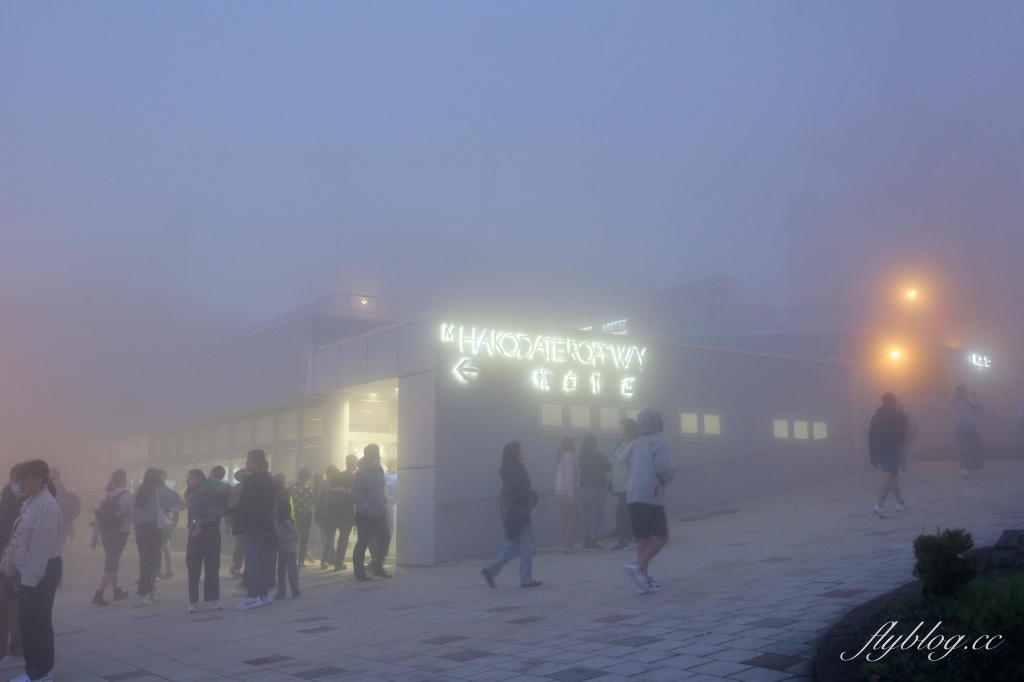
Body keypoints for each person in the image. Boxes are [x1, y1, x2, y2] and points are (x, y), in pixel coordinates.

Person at [0, 460, 63, 682]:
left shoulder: (47, 505)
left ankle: (41, 672)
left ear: (38, 479)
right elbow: (19, 540)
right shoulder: (32, 502)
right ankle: (33, 669)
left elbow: (41, 548)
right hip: (26, 571)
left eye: (23, 478)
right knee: (27, 621)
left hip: (40, 571)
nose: (18, 483)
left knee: (38, 622)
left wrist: (29, 579)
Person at [624, 408, 673, 595]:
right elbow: (662, 469)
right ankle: (638, 565)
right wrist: (669, 476)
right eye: (661, 419)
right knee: (661, 536)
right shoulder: (658, 442)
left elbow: (628, 464)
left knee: (644, 539)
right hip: (650, 496)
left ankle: (643, 582)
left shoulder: (634, 445)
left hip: (632, 496)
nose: (663, 422)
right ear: (654, 422)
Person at [481, 441, 541, 589]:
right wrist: (532, 498)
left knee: (514, 544)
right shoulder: (519, 468)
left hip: (509, 511)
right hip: (520, 510)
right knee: (527, 545)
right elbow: (522, 490)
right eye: (521, 450)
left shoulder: (507, 470)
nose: (523, 452)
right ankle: (526, 580)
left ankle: (491, 569)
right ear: (516, 454)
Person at [225, 450, 276, 610]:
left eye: (249, 460)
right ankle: (263, 595)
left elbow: (245, 506)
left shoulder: (253, 481)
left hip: (253, 526)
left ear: (258, 463)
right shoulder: (269, 479)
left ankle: (253, 596)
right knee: (259, 561)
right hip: (264, 525)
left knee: (253, 561)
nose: (247, 463)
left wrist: (225, 512)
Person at [131, 468, 184, 606]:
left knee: (146, 561)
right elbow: (176, 497)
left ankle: (151, 589)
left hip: (141, 530)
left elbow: (134, 514)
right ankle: (140, 595)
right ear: (158, 479)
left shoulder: (140, 492)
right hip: (153, 529)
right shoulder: (159, 491)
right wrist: (164, 485)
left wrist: (137, 527)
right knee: (152, 562)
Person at [184, 469, 229, 613]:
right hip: (195, 533)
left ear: (201, 478)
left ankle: (215, 599)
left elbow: (224, 507)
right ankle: (193, 601)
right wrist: (197, 522)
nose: (189, 482)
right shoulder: (190, 494)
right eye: (188, 479)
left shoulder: (214, 490)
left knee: (212, 567)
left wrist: (218, 511)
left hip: (212, 531)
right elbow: (194, 511)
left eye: (192, 478)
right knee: (193, 567)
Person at [89, 469, 133, 606]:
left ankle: (116, 591)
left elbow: (98, 517)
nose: (126, 480)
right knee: (111, 562)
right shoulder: (127, 496)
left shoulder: (103, 496)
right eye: (125, 478)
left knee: (113, 560)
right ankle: (99, 594)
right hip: (120, 532)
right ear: (122, 480)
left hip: (105, 533)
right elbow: (133, 515)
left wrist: (94, 536)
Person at [351, 445, 391, 581]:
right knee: (362, 542)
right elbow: (356, 493)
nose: (378, 457)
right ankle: (359, 572)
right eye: (376, 455)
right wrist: (366, 508)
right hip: (365, 513)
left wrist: (384, 503)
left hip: (380, 511)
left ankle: (378, 566)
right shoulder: (360, 473)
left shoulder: (379, 470)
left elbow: (381, 488)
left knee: (385, 537)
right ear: (369, 456)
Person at [868, 393, 909, 518]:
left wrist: (872, 456)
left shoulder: (875, 418)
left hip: (879, 451)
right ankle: (879, 506)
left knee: (891, 477)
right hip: (892, 449)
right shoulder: (896, 415)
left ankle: (900, 503)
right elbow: (904, 422)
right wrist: (901, 408)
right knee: (890, 475)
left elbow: (870, 437)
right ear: (894, 402)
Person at [0, 466, 25, 666]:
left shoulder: (29, 505)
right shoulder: (5, 504)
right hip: (5, 570)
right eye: (15, 479)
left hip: (16, 570)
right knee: (7, 606)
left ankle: (15, 646)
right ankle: (10, 647)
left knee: (13, 606)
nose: (18, 483)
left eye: (21, 479)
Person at [609, 418, 640, 552]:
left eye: (623, 428)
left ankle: (623, 541)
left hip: (629, 486)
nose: (621, 430)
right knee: (625, 514)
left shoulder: (634, 446)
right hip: (620, 487)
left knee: (622, 514)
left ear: (629, 430)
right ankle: (628, 537)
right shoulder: (622, 446)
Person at [577, 434, 610, 551]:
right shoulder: (598, 455)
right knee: (597, 514)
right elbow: (608, 468)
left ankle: (586, 541)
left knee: (586, 515)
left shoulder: (581, 456)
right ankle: (594, 541)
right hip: (597, 488)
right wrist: (606, 459)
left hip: (583, 488)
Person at [554, 436, 580, 553]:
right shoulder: (569, 457)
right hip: (566, 492)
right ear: (571, 445)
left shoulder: (561, 457)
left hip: (558, 492)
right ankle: (567, 543)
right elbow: (569, 478)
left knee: (565, 519)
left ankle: (564, 544)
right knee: (574, 518)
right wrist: (572, 495)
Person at [953, 384, 984, 478]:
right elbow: (953, 394)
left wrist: (975, 398)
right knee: (964, 448)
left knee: (973, 447)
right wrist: (958, 389)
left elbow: (981, 408)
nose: (966, 392)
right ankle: (963, 469)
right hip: (962, 427)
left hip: (972, 427)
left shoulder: (968, 402)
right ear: (960, 392)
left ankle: (970, 467)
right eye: (964, 391)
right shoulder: (957, 401)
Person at [273, 497, 301, 600]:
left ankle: (295, 591)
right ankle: (281, 591)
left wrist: (284, 539)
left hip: (290, 551)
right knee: (280, 571)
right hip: (281, 550)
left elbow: (295, 534)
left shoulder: (288, 523)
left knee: (292, 571)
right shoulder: (276, 523)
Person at [288, 468, 315, 568]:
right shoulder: (310, 489)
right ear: (307, 477)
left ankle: (291, 560)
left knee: (294, 538)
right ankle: (301, 562)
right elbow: (313, 502)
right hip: (306, 515)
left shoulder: (291, 488)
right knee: (304, 538)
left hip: (294, 515)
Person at [314, 465, 339, 569]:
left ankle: (331, 558)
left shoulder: (322, 485)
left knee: (328, 536)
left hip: (321, 514)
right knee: (329, 537)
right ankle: (325, 560)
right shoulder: (332, 485)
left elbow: (318, 500)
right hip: (330, 513)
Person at [49, 467, 79, 545]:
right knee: (57, 551)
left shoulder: (55, 490)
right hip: (60, 526)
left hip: (53, 527)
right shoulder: (62, 489)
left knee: (54, 552)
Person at [157, 470, 178, 579]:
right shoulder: (161, 490)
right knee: (162, 546)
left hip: (163, 522)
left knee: (164, 546)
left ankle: (166, 570)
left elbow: (176, 498)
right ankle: (161, 570)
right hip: (163, 522)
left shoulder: (162, 490)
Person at [225, 469, 246, 578]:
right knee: (243, 544)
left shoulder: (235, 489)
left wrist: (227, 522)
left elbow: (228, 506)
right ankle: (236, 566)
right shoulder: (245, 488)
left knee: (240, 543)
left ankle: (235, 565)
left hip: (234, 520)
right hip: (244, 520)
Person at [896, 399, 918, 477]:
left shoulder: (898, 415)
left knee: (900, 453)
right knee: (903, 453)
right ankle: (902, 470)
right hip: (905, 437)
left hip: (902, 437)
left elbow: (913, 426)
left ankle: (901, 470)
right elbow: (914, 427)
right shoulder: (907, 415)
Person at [384, 458, 397, 556]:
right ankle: (385, 550)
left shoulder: (383, 476)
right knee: (390, 527)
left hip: (381, 504)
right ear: (393, 466)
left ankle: (383, 550)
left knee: (384, 527)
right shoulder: (395, 478)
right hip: (390, 504)